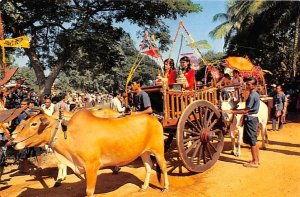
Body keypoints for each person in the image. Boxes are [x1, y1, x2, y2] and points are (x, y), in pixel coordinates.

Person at [223, 77, 260, 168]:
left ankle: (255, 162)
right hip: (252, 118)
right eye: (246, 84)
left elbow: (246, 111)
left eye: (249, 84)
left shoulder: (252, 96)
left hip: (251, 119)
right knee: (253, 140)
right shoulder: (255, 94)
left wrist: (232, 112)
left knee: (252, 142)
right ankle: (256, 160)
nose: (247, 85)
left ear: (254, 85)